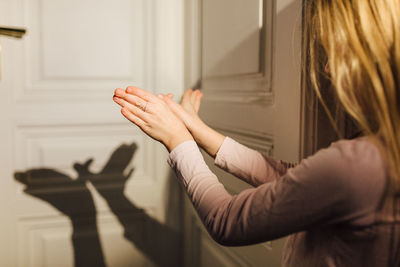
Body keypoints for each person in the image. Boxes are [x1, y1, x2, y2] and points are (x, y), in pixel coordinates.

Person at [112, 0, 400, 266]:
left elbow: (226, 220)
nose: (327, 66)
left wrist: (177, 140)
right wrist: (196, 130)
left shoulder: (360, 165)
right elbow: (294, 180)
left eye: (338, 49)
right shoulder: (378, 155)